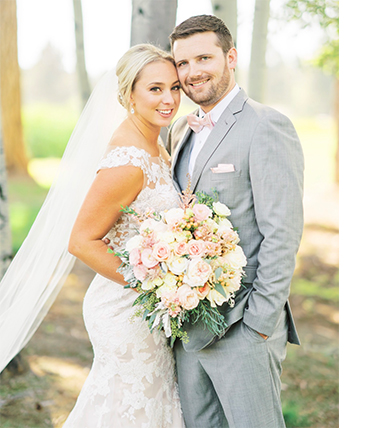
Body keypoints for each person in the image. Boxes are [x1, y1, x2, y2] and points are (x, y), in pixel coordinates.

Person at [0, 44, 184, 426]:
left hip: (148, 307)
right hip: (125, 308)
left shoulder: (157, 145)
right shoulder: (128, 162)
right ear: (128, 94)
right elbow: (81, 241)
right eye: (155, 89)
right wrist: (157, 287)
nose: (169, 99)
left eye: (175, 87)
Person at [166, 15, 304, 428]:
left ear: (231, 57)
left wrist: (259, 324)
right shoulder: (179, 132)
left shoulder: (266, 125)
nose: (193, 73)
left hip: (243, 326)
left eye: (204, 58)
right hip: (188, 327)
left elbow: (282, 233)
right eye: (183, 63)